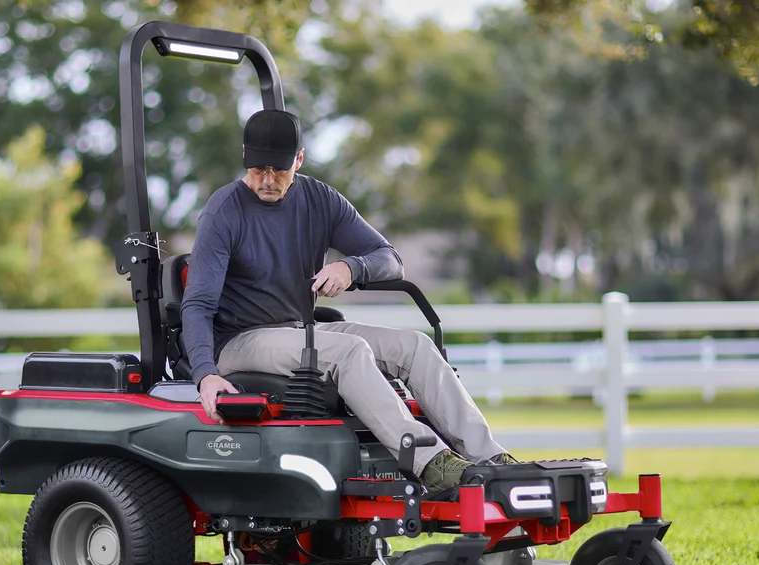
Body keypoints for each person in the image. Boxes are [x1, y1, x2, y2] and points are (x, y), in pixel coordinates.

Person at [180, 109, 513, 492]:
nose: (267, 180)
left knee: (415, 346)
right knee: (348, 350)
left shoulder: (320, 199)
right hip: (239, 340)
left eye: (280, 170)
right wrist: (206, 374)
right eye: (258, 169)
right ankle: (431, 463)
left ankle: (488, 458)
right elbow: (198, 304)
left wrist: (351, 269)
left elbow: (390, 259)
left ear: (299, 159)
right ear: (244, 157)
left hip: (299, 328)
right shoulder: (223, 213)